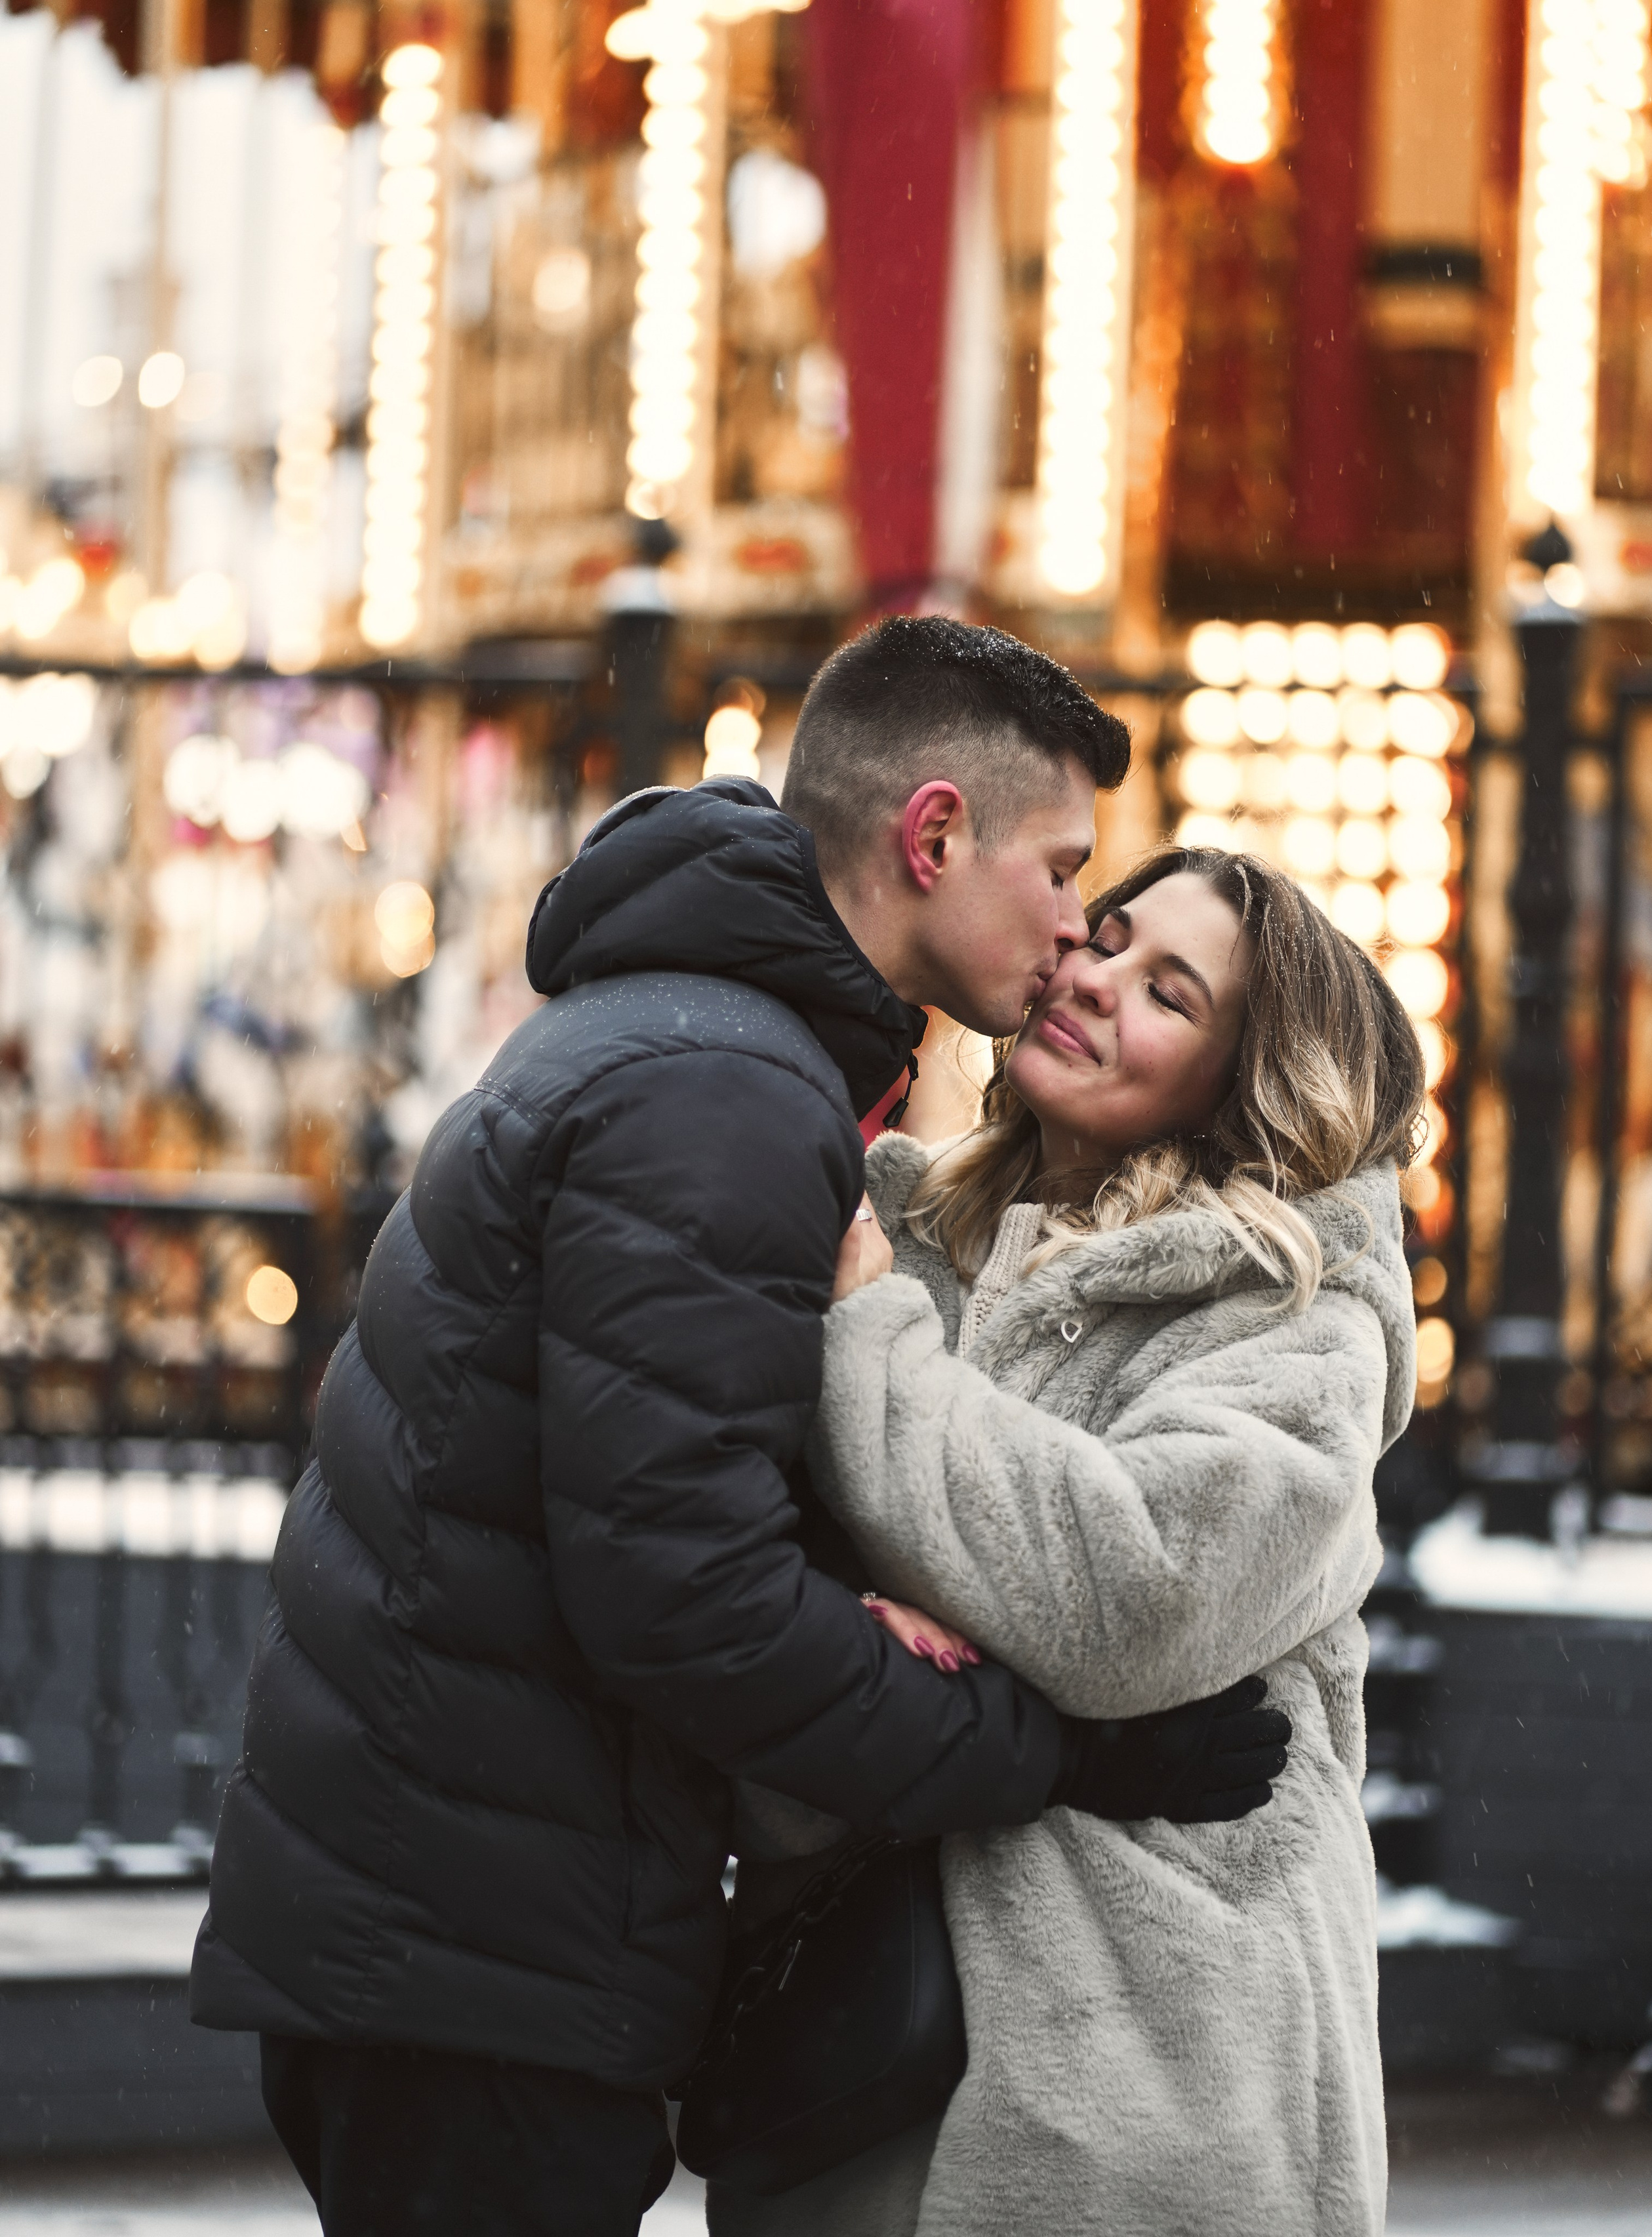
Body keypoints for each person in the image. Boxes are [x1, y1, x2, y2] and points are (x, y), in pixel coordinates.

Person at [188, 620, 1289, 2236]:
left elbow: (644, 1506)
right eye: (1060, 873)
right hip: (480, 1950)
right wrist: (1055, 1750)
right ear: (931, 836)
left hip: (455, 1917)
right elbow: (684, 1597)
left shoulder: (692, 1035)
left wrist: (839, 1598)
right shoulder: (723, 1093)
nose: (1070, 935)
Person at [709, 846, 1422, 2237]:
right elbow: (745, 1579)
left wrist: (870, 1344)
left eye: (1166, 990)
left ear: (1244, 1082)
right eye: (1101, 937)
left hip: (1146, 2091)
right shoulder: (907, 1235)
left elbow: (1121, 1595)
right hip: (851, 2059)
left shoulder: (1288, 1320)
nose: (1090, 982)